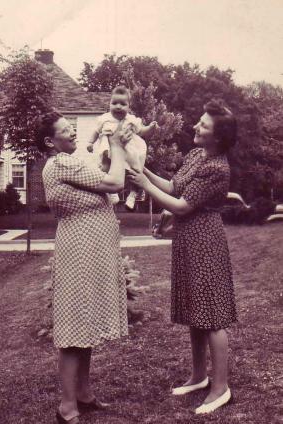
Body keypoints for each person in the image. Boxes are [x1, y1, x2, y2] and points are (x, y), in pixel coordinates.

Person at [128, 100, 238, 415]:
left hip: (206, 241)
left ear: (218, 137)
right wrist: (142, 170)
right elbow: (174, 186)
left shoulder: (218, 167)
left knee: (213, 316)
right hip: (188, 240)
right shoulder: (195, 155)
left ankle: (221, 387)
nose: (195, 127)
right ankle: (199, 376)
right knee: (194, 311)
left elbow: (181, 206)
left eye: (203, 125)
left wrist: (144, 185)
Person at [36, 111, 132, 424]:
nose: (73, 132)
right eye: (66, 130)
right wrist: (116, 145)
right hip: (79, 251)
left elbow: (108, 186)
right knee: (74, 326)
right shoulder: (62, 163)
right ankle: (67, 405)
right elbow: (115, 181)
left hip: (90, 250)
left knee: (85, 324)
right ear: (50, 141)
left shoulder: (75, 162)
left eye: (72, 127)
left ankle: (84, 394)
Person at [87, 85, 158, 210]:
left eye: (123, 104)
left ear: (129, 106)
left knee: (135, 172)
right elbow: (96, 131)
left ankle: (133, 194)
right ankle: (112, 192)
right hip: (109, 150)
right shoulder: (104, 118)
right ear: (109, 104)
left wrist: (150, 128)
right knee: (105, 168)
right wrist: (90, 142)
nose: (118, 106)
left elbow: (141, 131)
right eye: (114, 103)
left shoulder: (131, 120)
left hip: (128, 150)